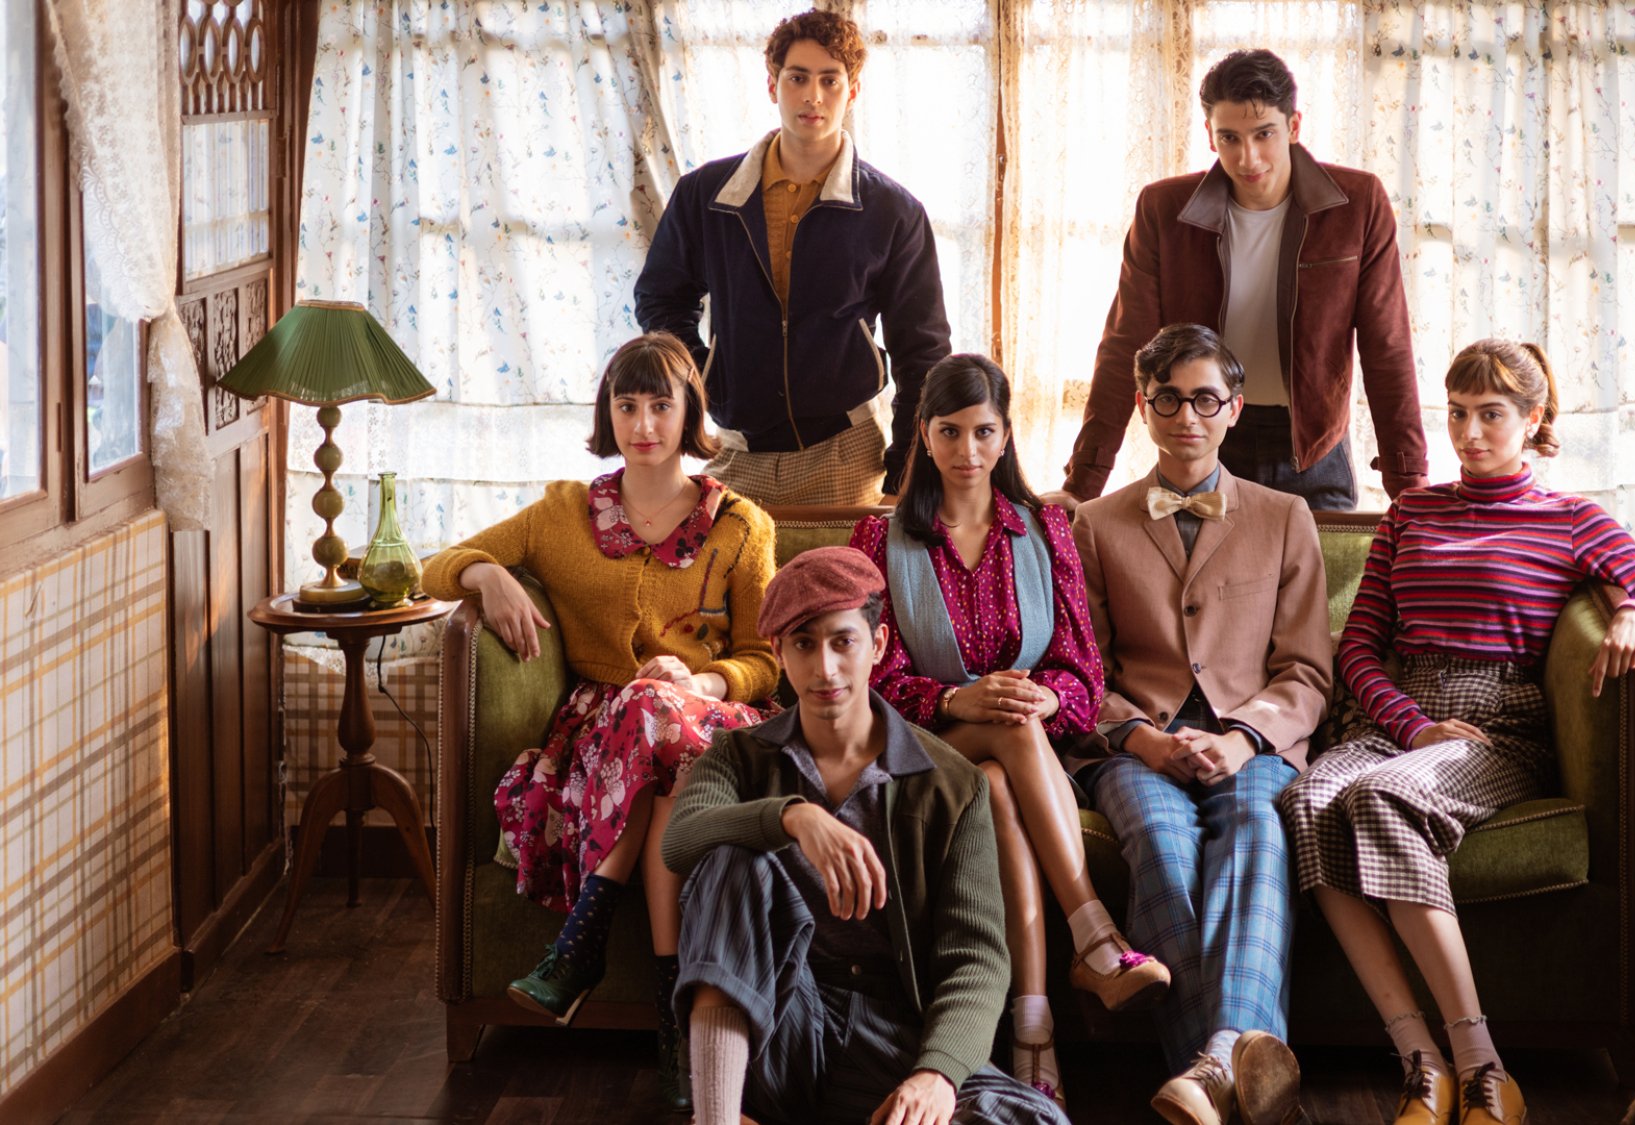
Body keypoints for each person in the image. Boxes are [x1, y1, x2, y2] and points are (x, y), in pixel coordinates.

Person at [1278, 338, 1635, 1125]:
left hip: (1498, 727)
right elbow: (1360, 648)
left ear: (1533, 419)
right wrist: (1410, 724)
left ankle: (1484, 1067)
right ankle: (1421, 1061)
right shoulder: (1412, 511)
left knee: (1380, 797)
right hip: (1403, 717)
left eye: (1491, 415)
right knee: (1306, 801)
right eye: (1459, 414)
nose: (1469, 433)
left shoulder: (1574, 519)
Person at [419, 333, 779, 1110]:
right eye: (627, 404)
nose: (643, 422)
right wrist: (487, 574)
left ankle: (580, 943)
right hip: (611, 739)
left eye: (660, 404)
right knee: (652, 753)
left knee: (655, 711)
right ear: (606, 413)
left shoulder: (741, 525)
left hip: (710, 718)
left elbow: (766, 658)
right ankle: (671, 1015)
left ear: (690, 414)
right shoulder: (560, 515)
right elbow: (433, 564)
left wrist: (703, 674)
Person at [848, 354, 1171, 1107]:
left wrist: (1044, 701)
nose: (966, 450)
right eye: (949, 431)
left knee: (1003, 764)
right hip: (918, 745)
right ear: (924, 437)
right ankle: (1093, 934)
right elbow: (866, 681)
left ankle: (1034, 1027)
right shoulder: (880, 540)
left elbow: (1084, 676)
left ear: (1004, 438)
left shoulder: (1045, 528)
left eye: (983, 431)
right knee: (1004, 731)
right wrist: (958, 700)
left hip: (1016, 755)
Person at [660, 547, 1068, 1125]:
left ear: (876, 646)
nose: (825, 668)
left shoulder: (952, 783)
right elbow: (680, 842)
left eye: (842, 641)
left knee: (1034, 1119)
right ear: (778, 653)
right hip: (772, 1022)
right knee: (731, 858)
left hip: (890, 1032)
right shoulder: (738, 757)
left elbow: (975, 958)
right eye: (803, 643)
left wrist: (937, 1076)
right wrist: (792, 817)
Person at [1070, 324, 1332, 1125]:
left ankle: (1210, 1066)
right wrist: (1141, 738)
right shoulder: (1096, 523)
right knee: (1160, 843)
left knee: (1255, 830)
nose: (1188, 415)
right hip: (1135, 745)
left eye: (1205, 399)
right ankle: (1233, 1062)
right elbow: (1085, 674)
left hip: (1249, 744)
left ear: (1233, 408)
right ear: (1144, 409)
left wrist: (1243, 736)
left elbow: (1306, 670)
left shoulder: (1286, 516)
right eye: (1169, 399)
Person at [1062, 48, 1428, 511]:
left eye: (1264, 134)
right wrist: (1083, 483)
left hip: (1313, 449)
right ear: (1211, 137)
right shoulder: (1164, 210)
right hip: (1204, 440)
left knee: (1319, 585)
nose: (1247, 156)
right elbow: (1124, 346)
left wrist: (1411, 487)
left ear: (1294, 126)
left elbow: (1387, 349)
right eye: (1230, 137)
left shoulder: (1356, 204)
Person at [633, 8, 952, 507]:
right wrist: (703, 375)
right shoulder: (705, 195)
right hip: (737, 453)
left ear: (853, 91)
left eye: (830, 80)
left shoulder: (894, 211)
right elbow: (659, 298)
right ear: (771, 85)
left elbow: (924, 353)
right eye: (797, 77)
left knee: (845, 587)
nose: (813, 96)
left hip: (848, 457)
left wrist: (905, 471)